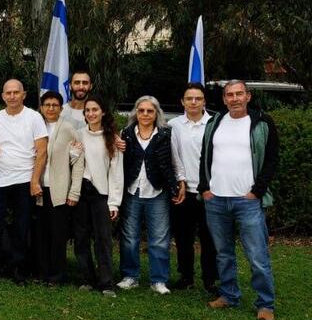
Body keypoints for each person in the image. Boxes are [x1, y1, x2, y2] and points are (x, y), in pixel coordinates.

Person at [199, 80, 278, 320]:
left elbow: (272, 160)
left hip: (248, 201)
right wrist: (205, 188)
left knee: (257, 255)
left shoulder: (262, 123)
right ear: (224, 99)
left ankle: (265, 304)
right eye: (229, 95)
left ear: (248, 96)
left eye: (239, 94)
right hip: (216, 200)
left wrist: (257, 191)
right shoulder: (215, 123)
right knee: (223, 253)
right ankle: (229, 294)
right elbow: (205, 156)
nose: (234, 98)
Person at [0, 79, 47, 283]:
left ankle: (19, 269)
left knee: (22, 226)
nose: (12, 96)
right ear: (3, 96)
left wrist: (35, 180)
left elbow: (42, 151)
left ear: (23, 94)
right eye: (8, 93)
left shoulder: (34, 117)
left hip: (24, 178)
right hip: (0, 179)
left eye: (15, 92)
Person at [117, 96, 176, 295]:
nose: (145, 114)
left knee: (159, 239)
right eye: (141, 110)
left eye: (149, 111)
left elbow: (175, 161)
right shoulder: (125, 134)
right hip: (132, 191)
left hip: (157, 191)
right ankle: (130, 276)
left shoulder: (166, 134)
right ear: (135, 113)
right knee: (129, 237)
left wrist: (179, 183)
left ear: (156, 114)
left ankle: (158, 280)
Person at [168, 83, 218, 293]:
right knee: (183, 237)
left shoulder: (215, 124)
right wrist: (179, 182)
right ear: (182, 101)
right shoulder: (173, 125)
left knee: (210, 239)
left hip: (210, 192)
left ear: (204, 101)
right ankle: (186, 277)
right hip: (184, 192)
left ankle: (210, 280)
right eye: (189, 98)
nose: (194, 102)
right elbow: (173, 157)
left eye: (198, 98)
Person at [74, 95, 123, 296]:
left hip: (101, 194)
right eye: (87, 111)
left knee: (103, 240)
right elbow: (71, 163)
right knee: (81, 238)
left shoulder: (113, 139)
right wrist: (73, 153)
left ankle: (106, 282)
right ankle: (87, 279)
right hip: (80, 192)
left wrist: (114, 203)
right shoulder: (77, 134)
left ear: (103, 112)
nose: (91, 114)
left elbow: (116, 172)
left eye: (95, 110)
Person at [34, 91, 84, 285]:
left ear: (61, 108)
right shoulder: (37, 127)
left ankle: (57, 275)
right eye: (47, 105)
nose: (51, 108)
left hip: (59, 190)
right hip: (39, 189)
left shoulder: (69, 129)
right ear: (41, 107)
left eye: (55, 105)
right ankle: (41, 272)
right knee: (41, 233)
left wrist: (74, 191)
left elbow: (78, 161)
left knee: (58, 234)